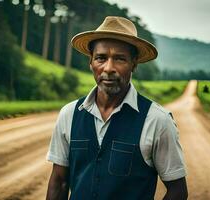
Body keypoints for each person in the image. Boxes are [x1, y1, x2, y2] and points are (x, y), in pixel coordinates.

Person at [46, 16, 188, 200]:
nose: (109, 68)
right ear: (91, 62)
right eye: (101, 58)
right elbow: (59, 182)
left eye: (120, 59)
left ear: (134, 64)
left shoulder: (157, 120)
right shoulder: (69, 114)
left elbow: (178, 191)